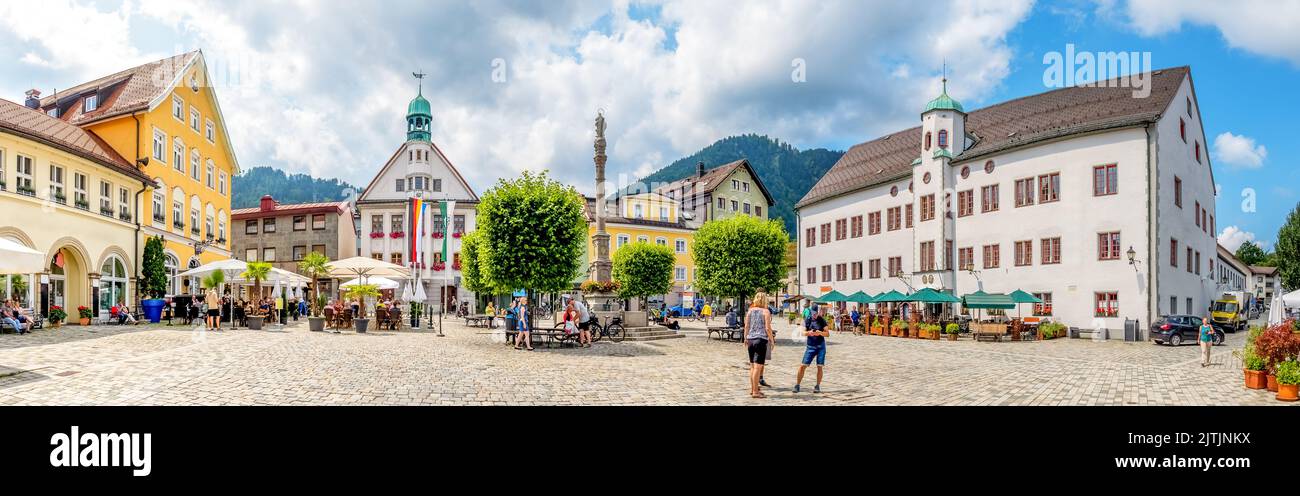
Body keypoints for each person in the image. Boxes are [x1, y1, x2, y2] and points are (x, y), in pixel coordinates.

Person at [744, 292, 775, 399]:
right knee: (758, 367)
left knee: (752, 366)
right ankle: (755, 392)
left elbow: (746, 326)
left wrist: (745, 338)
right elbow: (767, 328)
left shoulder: (750, 311)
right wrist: (771, 340)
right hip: (760, 340)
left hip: (750, 339)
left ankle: (753, 389)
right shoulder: (765, 311)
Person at [795, 305, 829, 393]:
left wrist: (820, 333)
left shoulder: (821, 320)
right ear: (811, 312)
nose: (815, 315)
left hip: (821, 346)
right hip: (810, 346)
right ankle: (797, 384)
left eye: (816, 313)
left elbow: (827, 333)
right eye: (813, 313)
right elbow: (802, 332)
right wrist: (809, 333)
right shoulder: (807, 320)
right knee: (803, 366)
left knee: (819, 366)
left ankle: (817, 386)